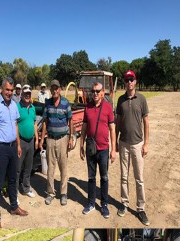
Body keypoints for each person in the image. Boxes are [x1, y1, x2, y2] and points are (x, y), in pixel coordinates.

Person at [0, 77, 28, 228]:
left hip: (12, 147)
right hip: (1, 148)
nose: (10, 93)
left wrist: (18, 144)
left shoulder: (14, 105)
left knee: (13, 179)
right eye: (7, 90)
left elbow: (16, 125)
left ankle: (13, 207)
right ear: (2, 89)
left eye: (12, 90)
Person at [115, 70, 150, 225]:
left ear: (135, 81)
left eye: (131, 79)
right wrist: (115, 141)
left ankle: (141, 208)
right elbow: (118, 122)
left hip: (137, 144)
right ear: (124, 82)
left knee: (139, 178)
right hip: (123, 143)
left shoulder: (141, 99)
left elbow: (146, 123)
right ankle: (124, 203)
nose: (129, 82)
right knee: (124, 176)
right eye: (127, 79)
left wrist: (146, 143)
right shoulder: (120, 100)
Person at [79, 82, 116, 218]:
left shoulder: (108, 108)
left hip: (104, 150)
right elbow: (83, 128)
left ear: (102, 93)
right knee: (91, 177)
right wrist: (81, 145)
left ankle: (104, 205)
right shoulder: (87, 107)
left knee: (104, 178)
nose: (94, 94)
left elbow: (112, 129)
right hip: (91, 149)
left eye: (97, 91)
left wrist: (113, 150)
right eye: (93, 91)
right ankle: (91, 203)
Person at [39, 79, 74, 206]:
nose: (54, 90)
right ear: (50, 90)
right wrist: (42, 139)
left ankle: (63, 194)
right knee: (50, 168)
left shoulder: (66, 103)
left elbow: (71, 121)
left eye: (56, 88)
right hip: (50, 139)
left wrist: (71, 137)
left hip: (63, 139)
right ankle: (50, 193)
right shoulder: (47, 103)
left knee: (63, 167)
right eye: (52, 88)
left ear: (59, 89)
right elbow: (44, 122)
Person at [17, 85, 38, 198]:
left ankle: (26, 188)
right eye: (25, 93)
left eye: (29, 94)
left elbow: (34, 123)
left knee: (28, 167)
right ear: (22, 94)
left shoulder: (33, 108)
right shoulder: (17, 107)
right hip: (21, 141)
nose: (27, 95)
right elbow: (14, 125)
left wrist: (36, 138)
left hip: (31, 141)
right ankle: (14, 192)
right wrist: (17, 143)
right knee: (17, 168)